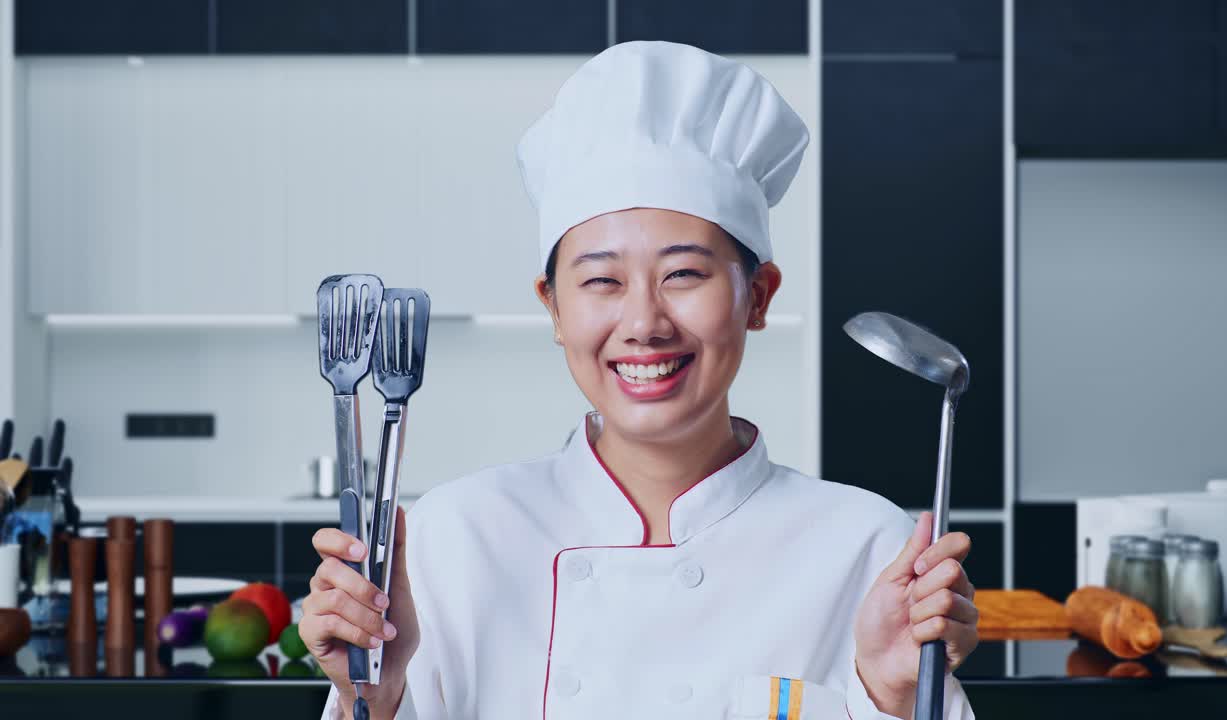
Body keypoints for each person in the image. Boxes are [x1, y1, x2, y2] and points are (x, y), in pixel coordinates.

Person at [302, 41, 979, 720]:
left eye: (683, 274)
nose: (644, 322)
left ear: (759, 297)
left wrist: (894, 697)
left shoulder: (865, 549)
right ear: (555, 308)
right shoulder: (453, 538)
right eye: (601, 281)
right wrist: (374, 698)